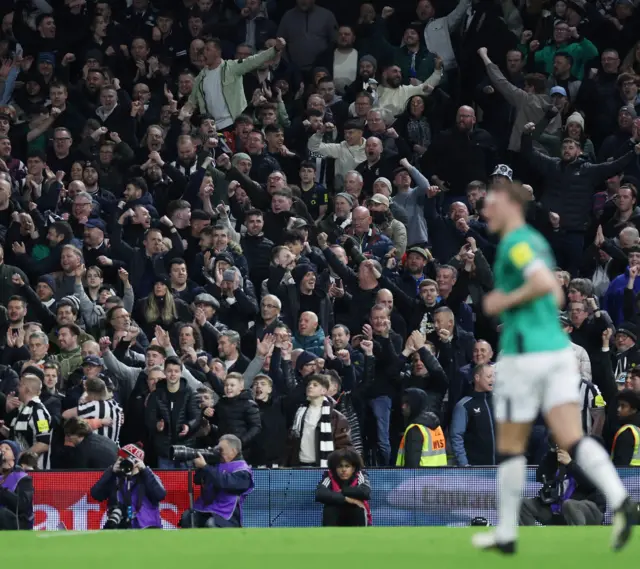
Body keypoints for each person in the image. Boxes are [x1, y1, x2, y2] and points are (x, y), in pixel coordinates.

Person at [472, 179, 635, 554]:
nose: (485, 212)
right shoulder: (535, 241)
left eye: (491, 205)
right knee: (572, 440)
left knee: (512, 443)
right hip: (555, 353)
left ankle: (508, 532)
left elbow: (547, 285)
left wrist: (502, 299)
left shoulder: (516, 242)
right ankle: (621, 500)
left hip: (532, 355)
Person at [519, 442, 606, 526]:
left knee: (569, 505)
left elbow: (592, 485)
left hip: (589, 509)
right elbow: (539, 477)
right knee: (523, 503)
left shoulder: (588, 453)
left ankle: (579, 539)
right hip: (558, 509)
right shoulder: (557, 458)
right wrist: (551, 452)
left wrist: (570, 464)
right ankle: (533, 539)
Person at [180, 434, 254, 528]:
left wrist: (206, 467)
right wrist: (205, 463)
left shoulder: (243, 471)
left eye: (221, 450)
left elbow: (225, 482)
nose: (218, 453)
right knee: (187, 518)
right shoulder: (217, 464)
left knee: (211, 523)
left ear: (233, 451)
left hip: (226, 515)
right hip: (207, 508)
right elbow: (197, 480)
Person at [90, 444, 166, 529]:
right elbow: (96, 494)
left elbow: (160, 495)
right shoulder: (114, 478)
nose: (125, 463)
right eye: (121, 460)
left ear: (138, 462)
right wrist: (111, 471)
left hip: (147, 528)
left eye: (129, 461)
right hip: (121, 527)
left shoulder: (148, 477)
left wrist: (145, 471)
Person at [315, 448, 371, 526]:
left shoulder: (360, 475)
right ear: (335, 468)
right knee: (329, 509)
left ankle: (360, 536)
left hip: (355, 514)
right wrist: (347, 499)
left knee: (358, 509)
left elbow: (365, 492)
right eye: (340, 466)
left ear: (353, 468)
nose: (343, 470)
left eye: (347, 466)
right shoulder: (329, 476)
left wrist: (342, 491)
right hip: (336, 515)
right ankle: (328, 536)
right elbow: (320, 493)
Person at [396, 387, 447, 467]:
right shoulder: (437, 427)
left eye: (407, 403)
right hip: (438, 477)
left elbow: (412, 467)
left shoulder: (415, 430)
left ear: (415, 404)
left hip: (420, 478)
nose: (403, 407)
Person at [0, 440, 34, 530]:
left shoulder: (22, 478)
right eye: (0, 448)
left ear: (14, 456)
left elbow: (22, 505)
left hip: (17, 522)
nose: (2, 450)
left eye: (7, 449)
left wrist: (2, 491)